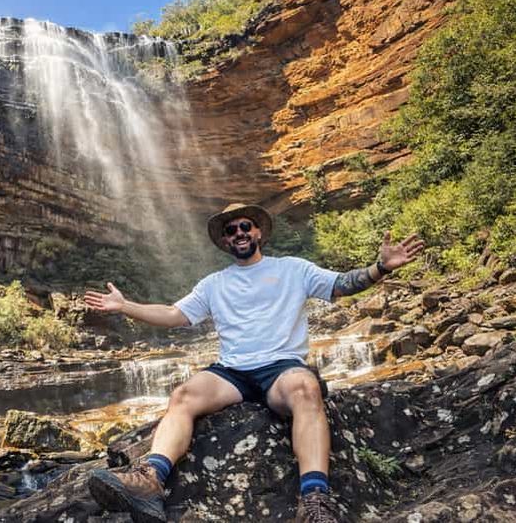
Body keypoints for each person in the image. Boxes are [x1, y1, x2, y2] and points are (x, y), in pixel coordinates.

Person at [84, 203, 424, 523]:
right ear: (225, 241)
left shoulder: (293, 268)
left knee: (306, 389)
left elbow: (342, 284)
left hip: (281, 368)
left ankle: (314, 500)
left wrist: (380, 268)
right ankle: (150, 481)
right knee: (183, 395)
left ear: (259, 231)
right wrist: (125, 306)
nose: (238, 233)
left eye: (245, 226)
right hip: (231, 373)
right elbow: (174, 314)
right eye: (230, 231)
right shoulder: (214, 284)